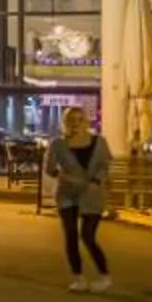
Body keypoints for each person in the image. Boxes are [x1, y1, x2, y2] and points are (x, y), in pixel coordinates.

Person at [48, 106, 113, 291]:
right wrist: (61, 175)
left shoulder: (99, 142)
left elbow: (105, 165)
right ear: (65, 123)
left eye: (79, 119)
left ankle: (104, 275)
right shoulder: (58, 144)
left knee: (88, 236)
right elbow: (49, 167)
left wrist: (96, 180)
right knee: (71, 236)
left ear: (86, 122)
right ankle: (78, 277)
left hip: (91, 193)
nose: (75, 124)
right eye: (71, 120)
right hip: (67, 193)